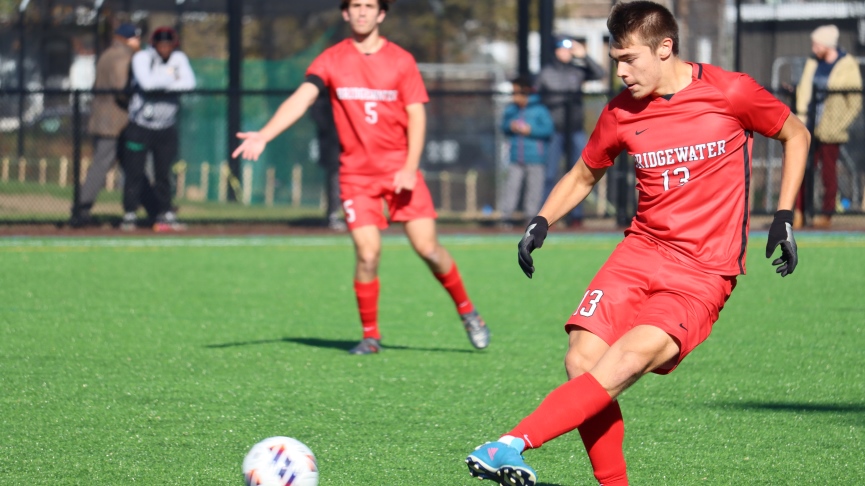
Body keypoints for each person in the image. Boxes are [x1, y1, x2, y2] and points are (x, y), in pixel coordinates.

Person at [465, 2, 810, 485]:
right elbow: (586, 172)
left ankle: (508, 443)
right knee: (581, 359)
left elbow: (796, 134)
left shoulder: (731, 91)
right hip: (640, 252)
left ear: (665, 48)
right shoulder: (620, 111)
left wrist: (783, 215)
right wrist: (541, 220)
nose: (621, 71)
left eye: (630, 59)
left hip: (703, 271)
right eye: (616, 61)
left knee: (629, 357)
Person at [233, 0, 490, 354]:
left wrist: (410, 167)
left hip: (401, 171)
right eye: (356, 5)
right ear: (345, 12)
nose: (362, 11)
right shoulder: (331, 59)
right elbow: (302, 98)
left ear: (381, 14)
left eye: (370, 5)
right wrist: (264, 134)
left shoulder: (401, 60)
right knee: (368, 255)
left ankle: (468, 311)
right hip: (356, 175)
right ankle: (370, 336)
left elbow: (417, 117)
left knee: (429, 249)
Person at [69, 23, 157, 228]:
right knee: (102, 165)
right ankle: (81, 209)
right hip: (115, 122)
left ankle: (154, 207)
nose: (139, 42)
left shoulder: (108, 53)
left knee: (133, 166)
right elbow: (121, 89)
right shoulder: (122, 57)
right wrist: (136, 101)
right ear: (128, 39)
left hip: (107, 119)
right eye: (136, 38)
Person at [122, 26, 196, 231]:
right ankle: (130, 213)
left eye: (168, 45)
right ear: (154, 45)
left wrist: (161, 81)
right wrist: (172, 77)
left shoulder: (179, 59)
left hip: (166, 128)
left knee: (163, 173)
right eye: (161, 45)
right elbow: (147, 84)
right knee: (135, 172)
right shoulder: (142, 58)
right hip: (140, 126)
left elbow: (189, 84)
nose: (165, 49)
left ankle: (166, 213)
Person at [794, 24, 863, 229]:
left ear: (827, 44)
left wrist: (840, 123)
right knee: (802, 169)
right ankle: (798, 212)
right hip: (808, 125)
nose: (814, 47)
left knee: (828, 172)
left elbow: (855, 99)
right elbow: (804, 91)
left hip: (831, 130)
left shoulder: (847, 64)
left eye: (817, 43)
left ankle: (826, 214)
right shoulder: (813, 63)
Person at [535, 35, 605, 228]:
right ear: (555, 51)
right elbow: (536, 98)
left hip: (575, 129)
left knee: (581, 173)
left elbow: (600, 73)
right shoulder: (546, 73)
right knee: (550, 174)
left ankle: (576, 216)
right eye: (562, 49)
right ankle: (545, 218)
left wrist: (584, 55)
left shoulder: (577, 70)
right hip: (554, 131)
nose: (566, 52)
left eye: (569, 49)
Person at [499, 75, 554, 226]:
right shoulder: (511, 109)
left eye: (516, 91)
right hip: (515, 156)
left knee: (534, 189)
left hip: (536, 157)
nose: (514, 95)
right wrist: (510, 126)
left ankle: (531, 219)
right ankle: (506, 217)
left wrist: (531, 130)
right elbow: (503, 126)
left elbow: (548, 129)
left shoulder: (539, 109)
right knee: (511, 186)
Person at [310, 90, 346, 231]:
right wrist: (330, 131)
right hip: (332, 142)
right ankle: (333, 215)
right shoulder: (324, 90)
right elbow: (316, 114)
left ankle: (361, 215)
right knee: (335, 176)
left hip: (355, 143)